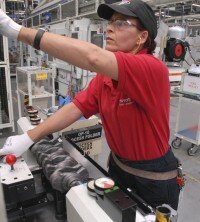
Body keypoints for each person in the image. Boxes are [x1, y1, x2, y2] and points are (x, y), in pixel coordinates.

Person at [0, 0, 181, 210]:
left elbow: (92, 57)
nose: (110, 27)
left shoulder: (151, 69)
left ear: (142, 37)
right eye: (111, 21)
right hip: (118, 167)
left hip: (153, 179)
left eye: (121, 22)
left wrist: (16, 31)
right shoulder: (104, 79)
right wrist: (28, 137)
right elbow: (74, 108)